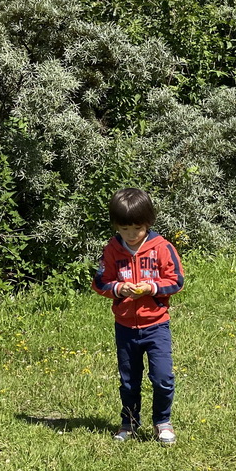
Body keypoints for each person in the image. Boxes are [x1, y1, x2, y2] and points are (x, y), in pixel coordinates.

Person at [92, 188, 185, 445]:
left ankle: (162, 422)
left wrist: (152, 287)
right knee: (129, 381)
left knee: (163, 378)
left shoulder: (162, 248)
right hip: (125, 327)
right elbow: (100, 282)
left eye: (137, 228)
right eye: (124, 229)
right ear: (115, 226)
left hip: (156, 325)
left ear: (148, 223)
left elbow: (176, 280)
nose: (131, 235)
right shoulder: (111, 249)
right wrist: (118, 289)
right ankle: (129, 423)